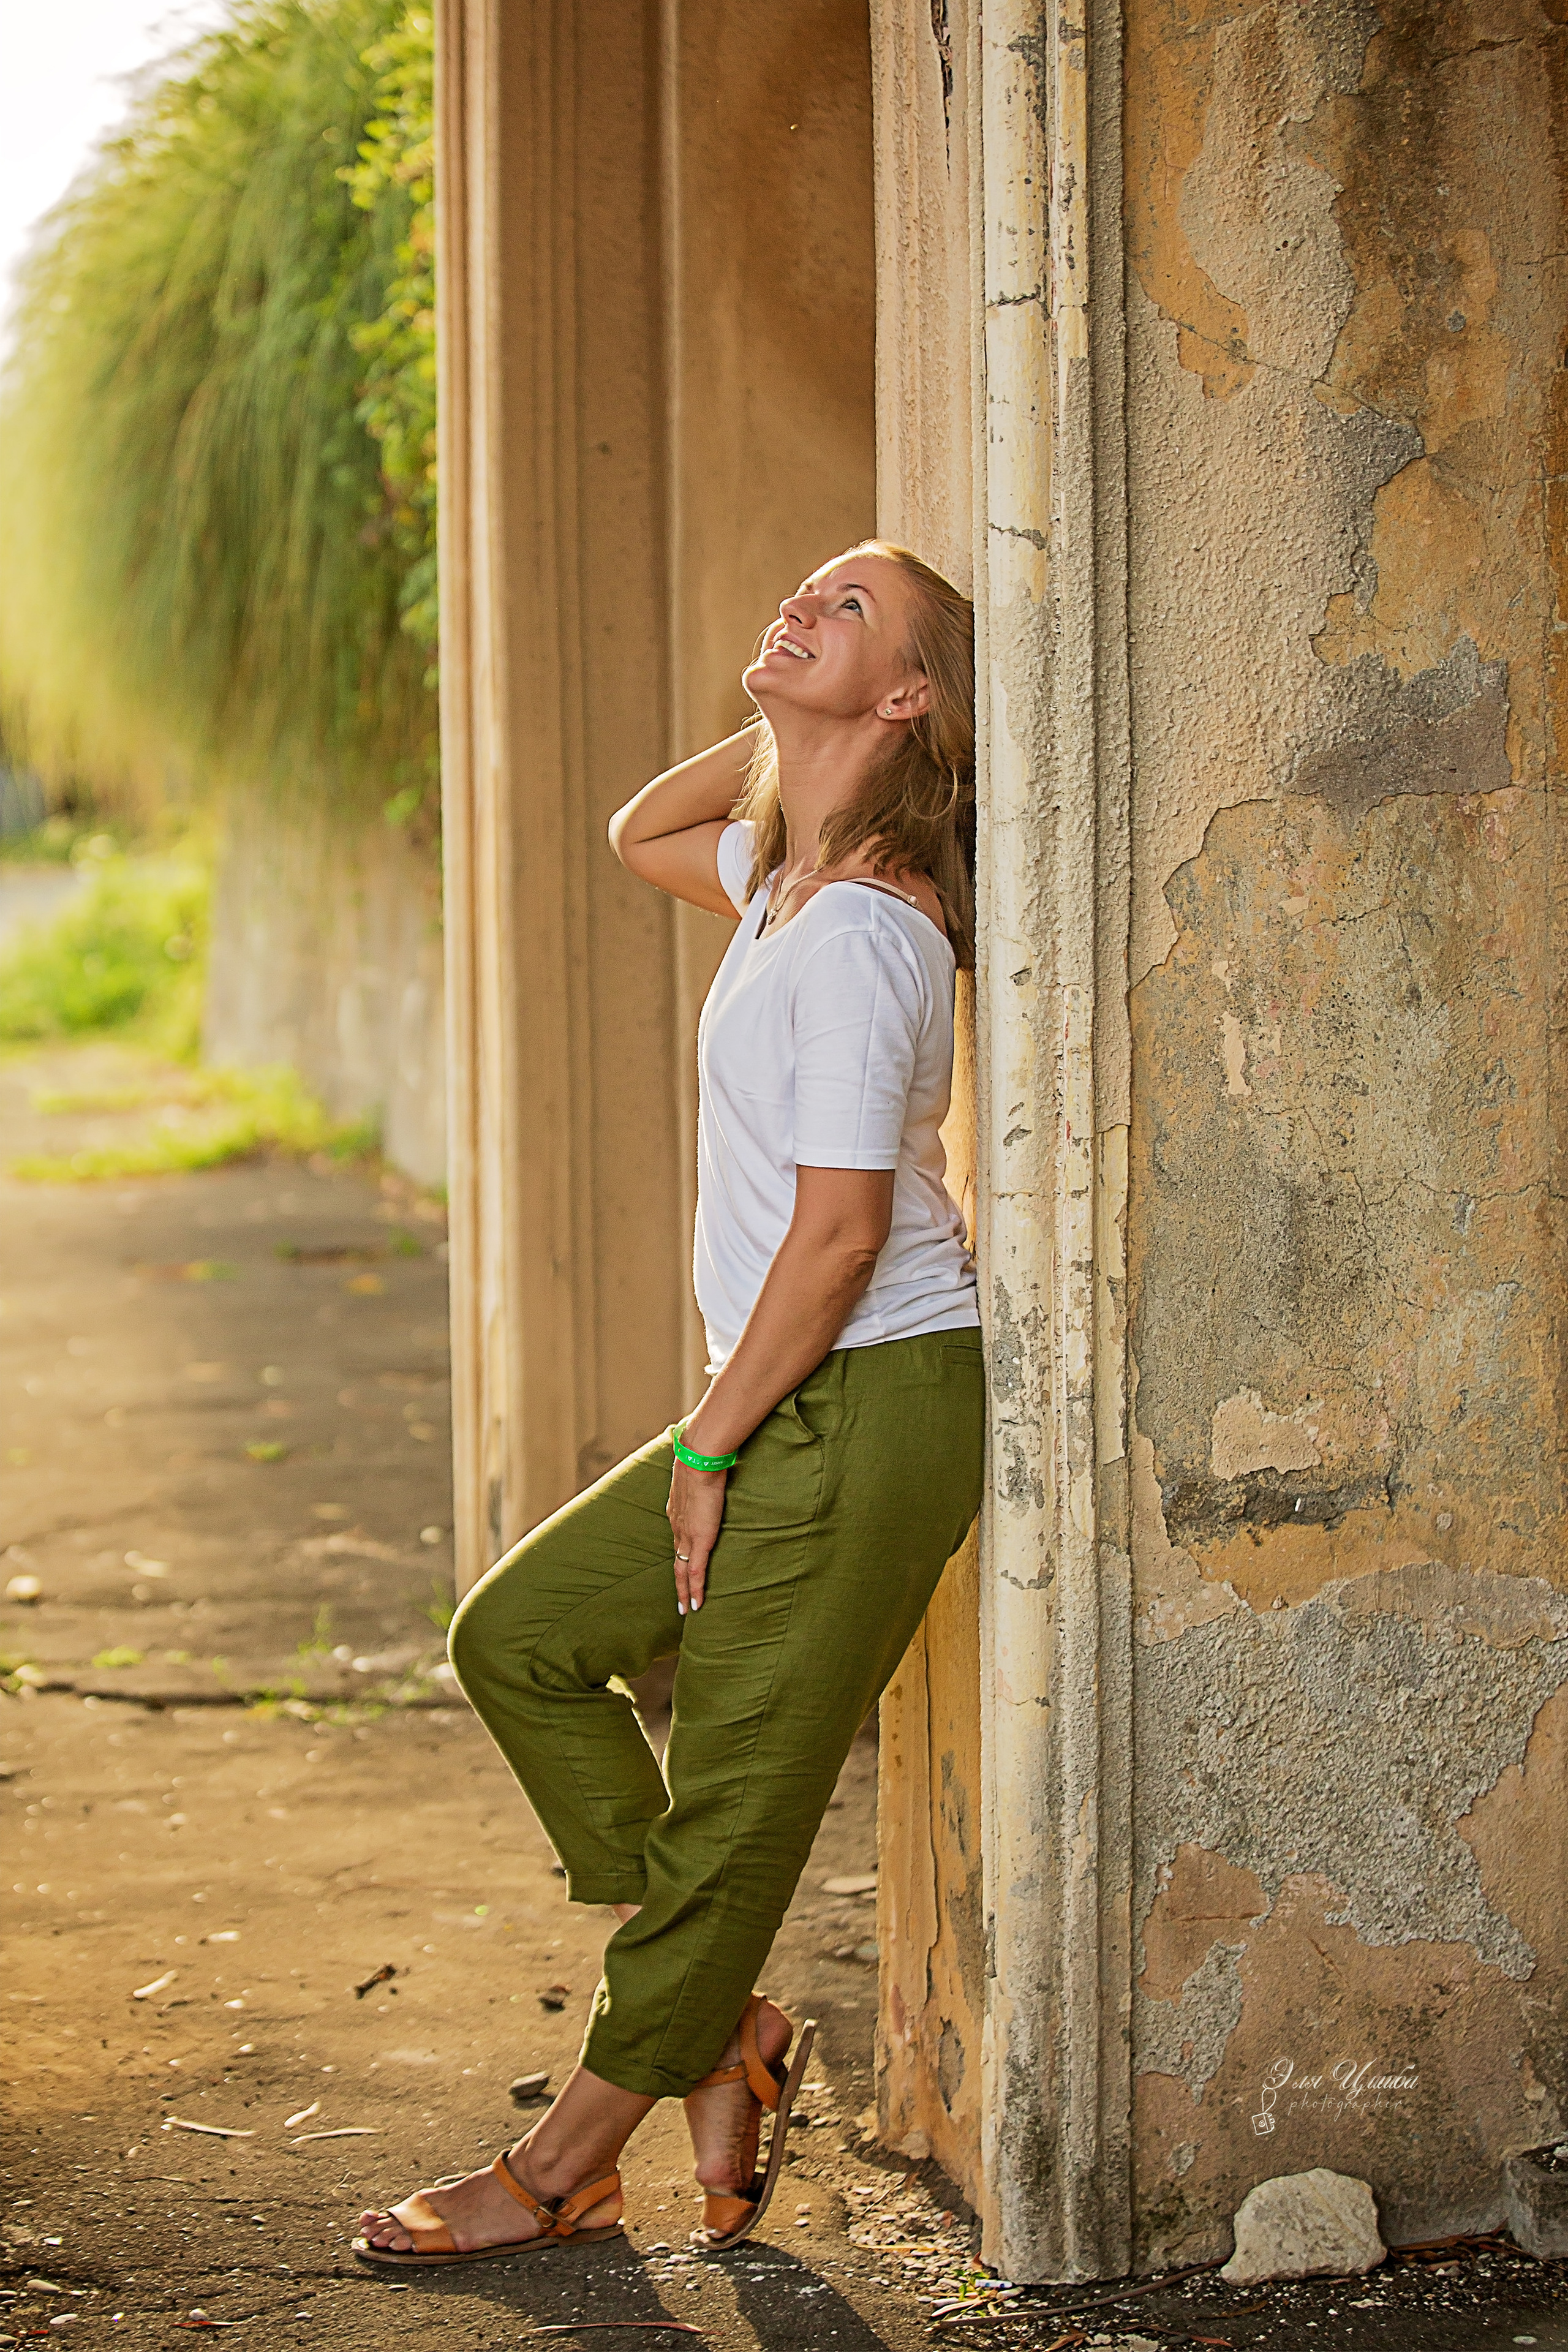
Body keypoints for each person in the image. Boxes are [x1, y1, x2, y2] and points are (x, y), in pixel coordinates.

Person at [354, 540, 984, 2269]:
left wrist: (710, 1441)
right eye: (800, 585)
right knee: (524, 1639)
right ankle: (726, 2032)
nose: (797, 604)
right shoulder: (787, 883)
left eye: (849, 609)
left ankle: (564, 2163)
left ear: (913, 697)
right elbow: (642, 828)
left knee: (735, 1807)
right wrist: (787, 702)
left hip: (862, 1401)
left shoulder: (861, 929)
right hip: (794, 1385)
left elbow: (848, 1229)